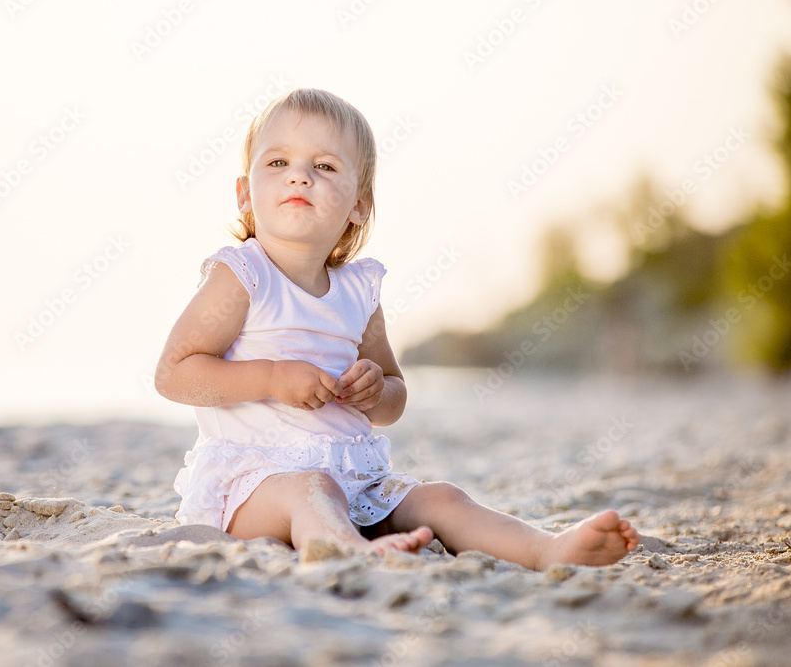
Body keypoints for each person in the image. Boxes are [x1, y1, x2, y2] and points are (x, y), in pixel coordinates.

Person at [155, 88, 640, 568]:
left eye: (323, 166)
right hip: (252, 487)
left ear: (359, 206)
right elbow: (175, 374)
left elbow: (394, 396)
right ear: (245, 194)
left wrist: (373, 390)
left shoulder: (357, 291)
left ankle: (545, 548)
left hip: (353, 480)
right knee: (311, 490)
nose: (299, 177)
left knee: (442, 498)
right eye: (278, 163)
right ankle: (346, 548)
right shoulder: (243, 275)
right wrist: (271, 378)